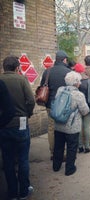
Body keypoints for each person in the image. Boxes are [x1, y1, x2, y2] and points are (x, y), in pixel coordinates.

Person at [0, 56, 35, 200]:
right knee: (22, 159)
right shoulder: (21, 80)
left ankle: (12, 192)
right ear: (17, 68)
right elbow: (31, 100)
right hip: (20, 122)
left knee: (7, 160)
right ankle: (24, 190)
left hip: (3, 124)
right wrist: (28, 113)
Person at [53, 71, 90, 176]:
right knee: (71, 147)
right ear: (76, 82)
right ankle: (69, 169)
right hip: (72, 127)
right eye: (79, 81)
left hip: (58, 124)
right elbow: (85, 111)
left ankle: (56, 166)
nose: (80, 83)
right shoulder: (79, 94)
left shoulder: (60, 90)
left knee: (58, 146)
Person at [40, 50, 71, 160]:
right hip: (64, 105)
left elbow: (42, 86)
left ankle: (53, 153)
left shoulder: (47, 72)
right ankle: (65, 152)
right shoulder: (68, 72)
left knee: (51, 128)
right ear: (64, 60)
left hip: (50, 104)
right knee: (65, 128)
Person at [74, 63, 90, 153]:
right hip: (88, 105)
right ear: (83, 70)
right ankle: (87, 146)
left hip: (77, 106)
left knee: (79, 126)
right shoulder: (88, 80)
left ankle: (80, 146)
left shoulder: (74, 80)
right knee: (87, 126)